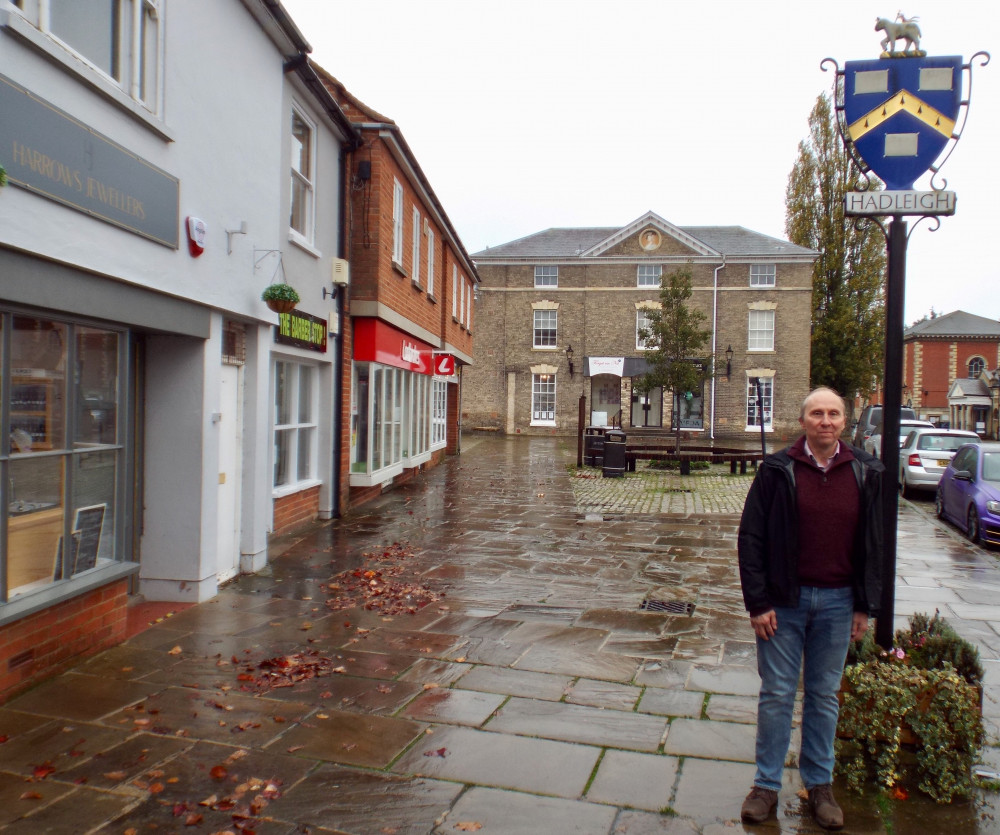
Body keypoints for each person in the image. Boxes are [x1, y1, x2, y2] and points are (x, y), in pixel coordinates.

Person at [738, 387, 884, 830]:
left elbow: (875, 544)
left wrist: (865, 605)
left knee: (824, 696)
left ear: (845, 421)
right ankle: (765, 786)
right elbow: (751, 538)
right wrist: (758, 602)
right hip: (784, 602)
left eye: (834, 413)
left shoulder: (865, 470)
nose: (825, 420)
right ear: (802, 422)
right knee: (778, 694)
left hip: (839, 602)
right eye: (817, 413)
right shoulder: (777, 470)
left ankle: (820, 785)